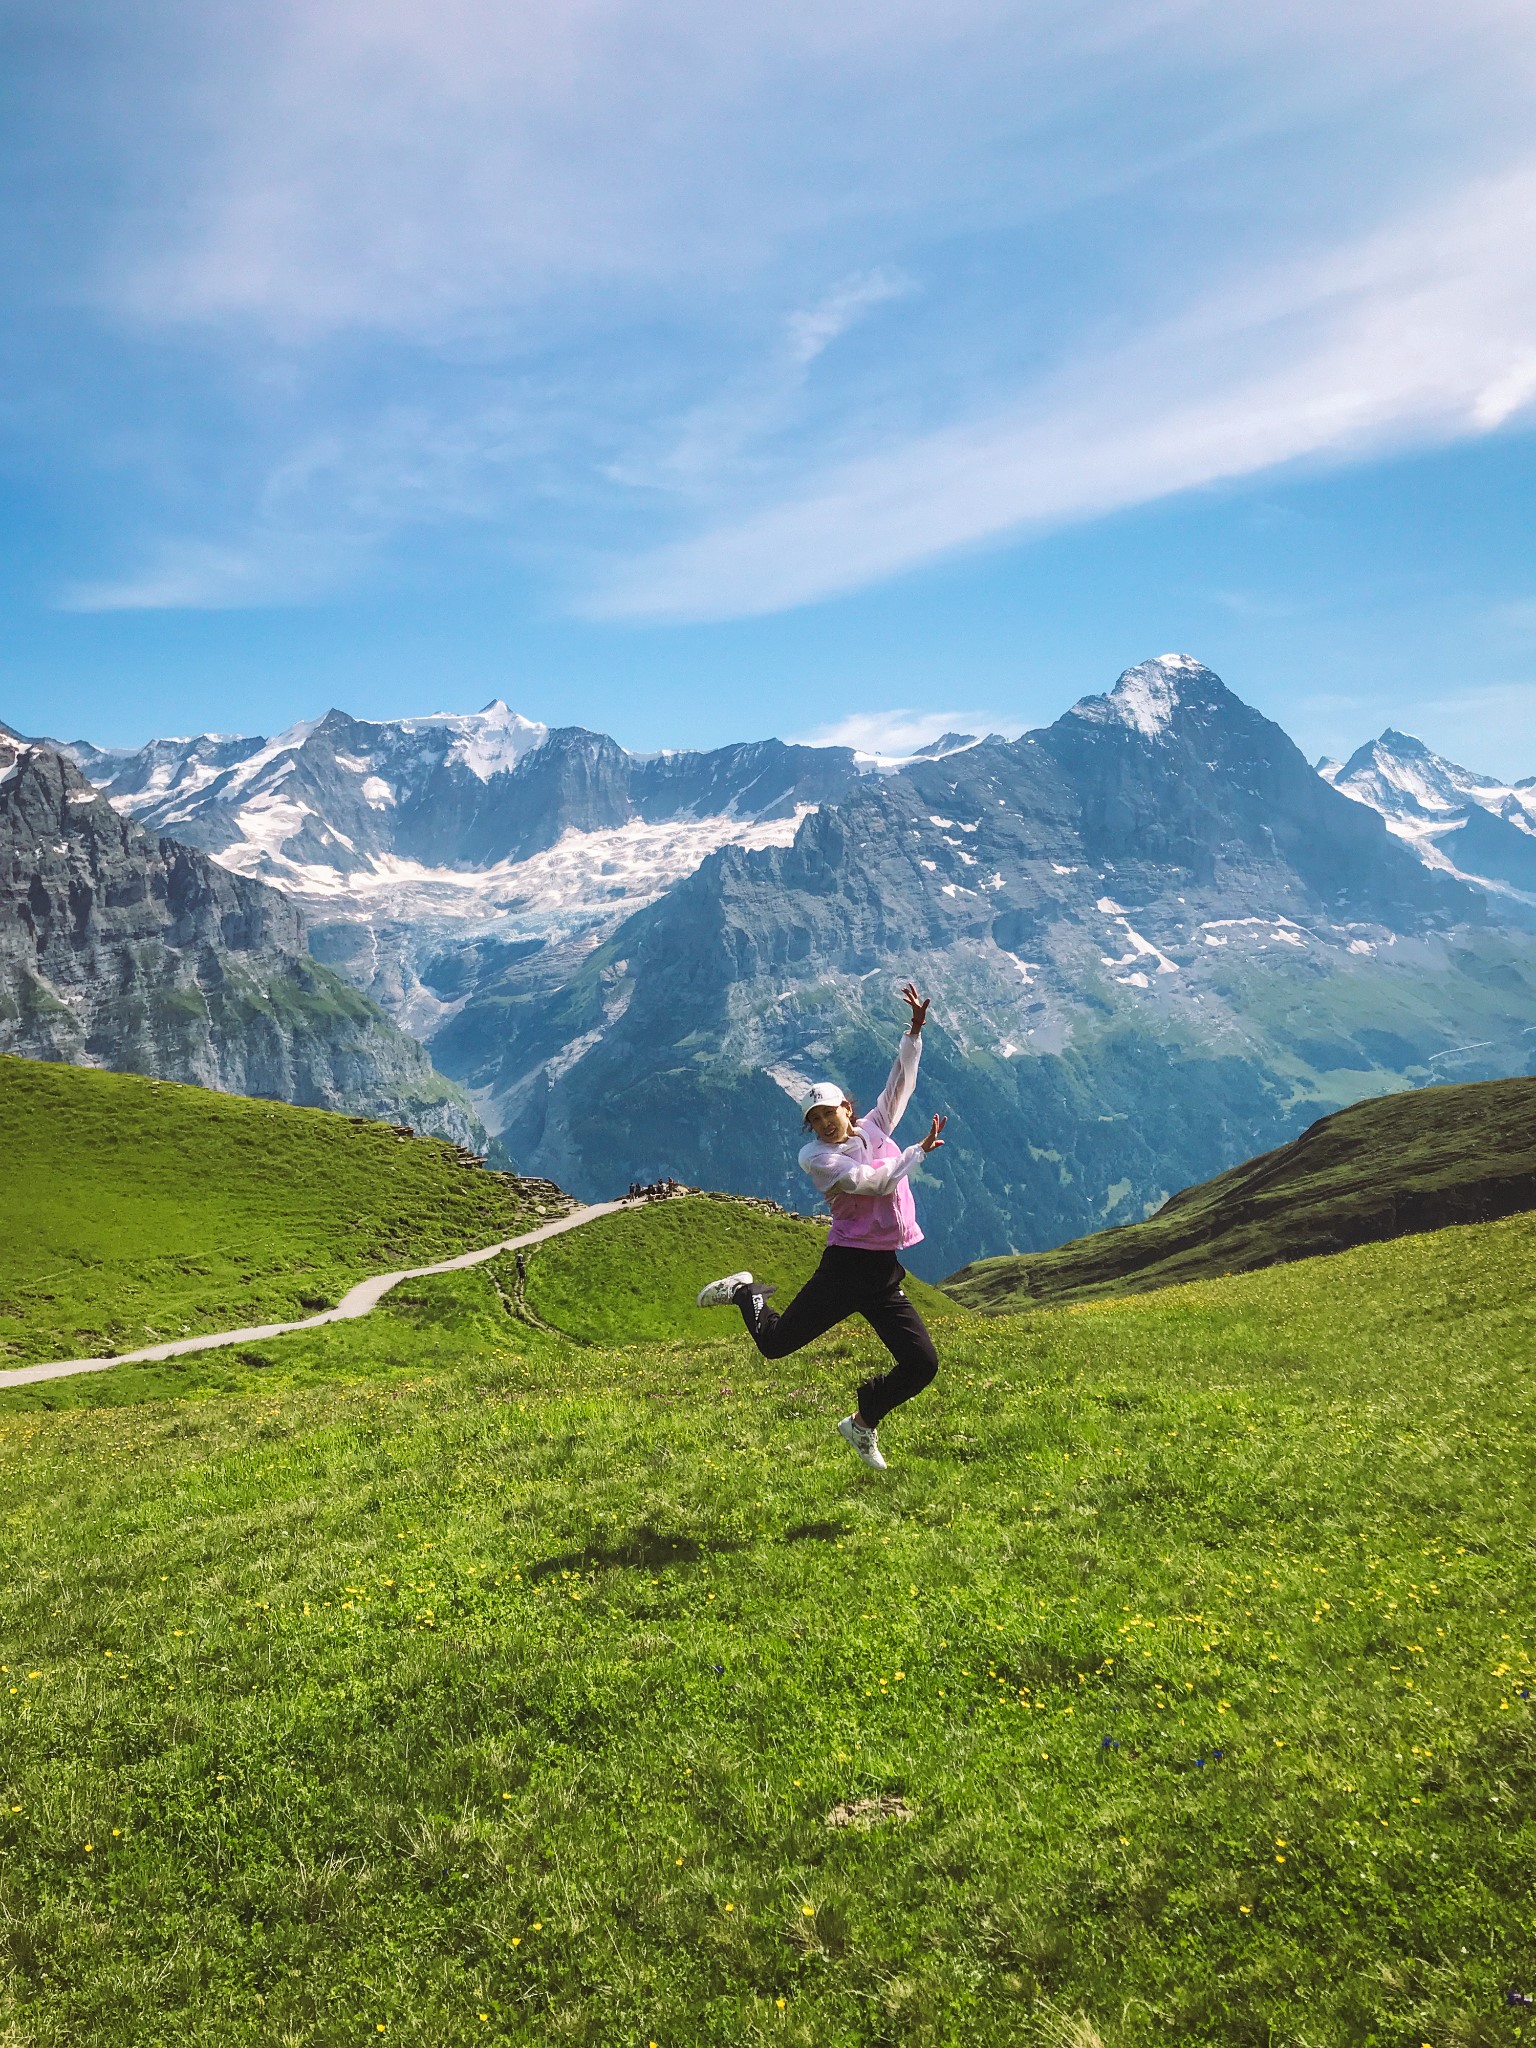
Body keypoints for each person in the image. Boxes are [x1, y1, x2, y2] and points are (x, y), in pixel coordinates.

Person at [695, 982, 947, 1470]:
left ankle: (862, 1421)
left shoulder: (875, 1127)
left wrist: (914, 1030)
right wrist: (916, 1152)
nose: (825, 1124)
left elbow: (900, 1084)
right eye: (815, 1119)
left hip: (882, 1273)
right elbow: (872, 1185)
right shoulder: (817, 1158)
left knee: (922, 1365)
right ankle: (747, 1292)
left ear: (846, 1109)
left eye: (829, 1113)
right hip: (844, 1270)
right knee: (774, 1345)